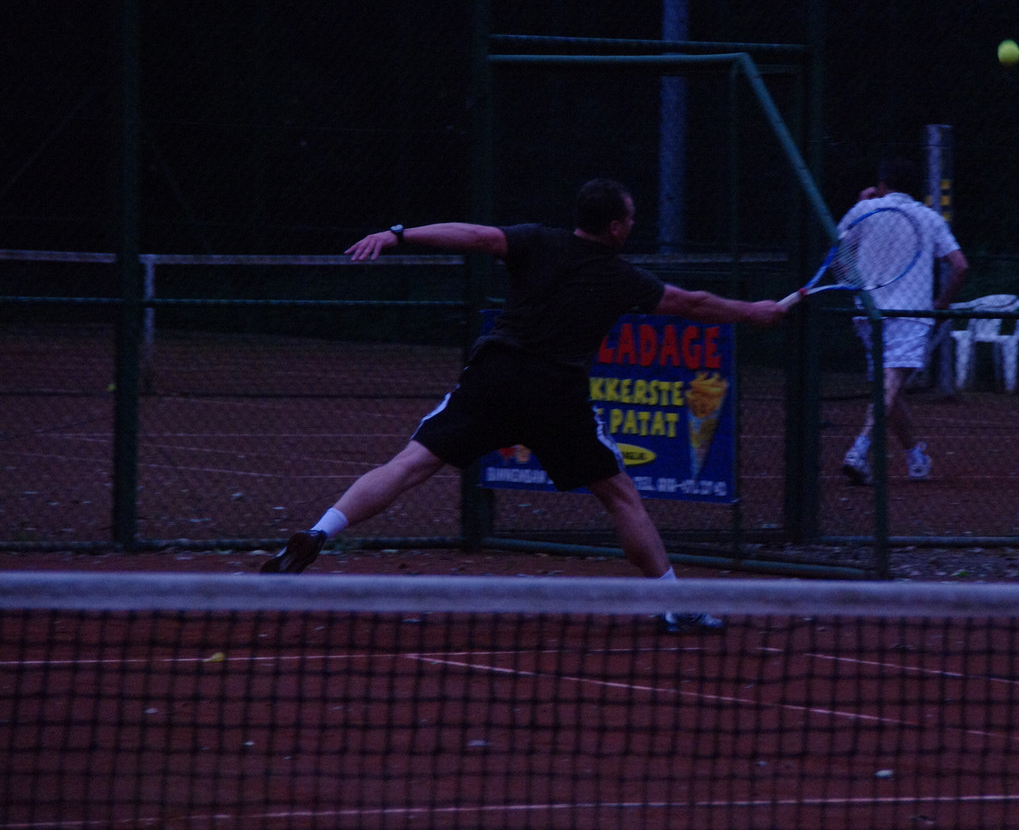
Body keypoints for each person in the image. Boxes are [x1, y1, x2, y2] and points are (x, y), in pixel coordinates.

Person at [259, 178, 785, 633]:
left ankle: (321, 531)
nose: (632, 225)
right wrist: (754, 312)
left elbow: (474, 235)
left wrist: (399, 234)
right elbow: (693, 303)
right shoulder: (622, 276)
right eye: (630, 218)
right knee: (620, 497)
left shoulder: (537, 240)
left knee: (409, 465)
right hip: (556, 396)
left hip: (494, 377)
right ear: (616, 227)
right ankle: (675, 605)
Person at [840, 157, 968, 485]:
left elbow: (840, 253)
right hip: (912, 314)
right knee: (890, 386)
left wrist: (861, 204)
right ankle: (859, 449)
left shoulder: (863, 210)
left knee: (888, 388)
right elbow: (960, 266)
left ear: (883, 184)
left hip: (869, 311)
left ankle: (916, 458)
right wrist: (941, 304)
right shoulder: (928, 217)